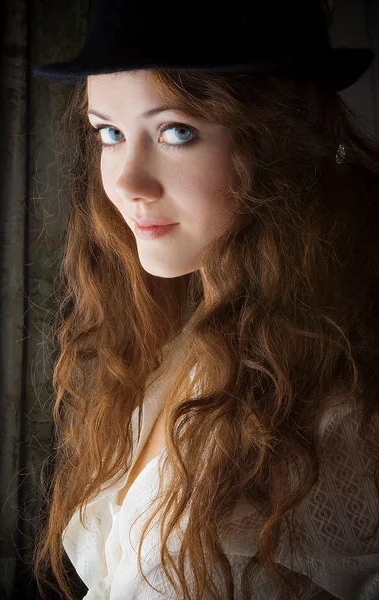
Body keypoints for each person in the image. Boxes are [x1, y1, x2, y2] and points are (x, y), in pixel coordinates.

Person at [32, 0, 379, 599]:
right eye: (108, 133)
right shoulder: (178, 352)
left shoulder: (341, 409)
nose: (127, 181)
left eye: (176, 131)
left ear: (278, 143)